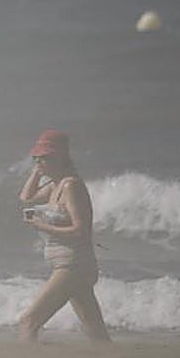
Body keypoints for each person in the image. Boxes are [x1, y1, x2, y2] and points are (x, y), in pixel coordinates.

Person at [17, 130, 110, 343]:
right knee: (95, 331)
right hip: (71, 265)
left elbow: (80, 230)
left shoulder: (71, 186)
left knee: (28, 321)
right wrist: (37, 172)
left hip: (73, 266)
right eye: (36, 158)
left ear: (61, 157)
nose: (40, 161)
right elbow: (26, 197)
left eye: (45, 157)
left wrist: (42, 226)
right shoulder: (54, 186)